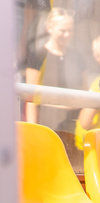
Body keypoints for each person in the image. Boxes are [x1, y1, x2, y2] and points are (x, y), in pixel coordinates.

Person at [24, 8, 87, 148]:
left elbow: (85, 94)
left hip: (72, 128)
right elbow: (31, 100)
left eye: (70, 30)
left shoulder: (78, 58)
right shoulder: (38, 56)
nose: (67, 34)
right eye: (62, 30)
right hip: (47, 125)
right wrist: (32, 131)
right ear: (49, 28)